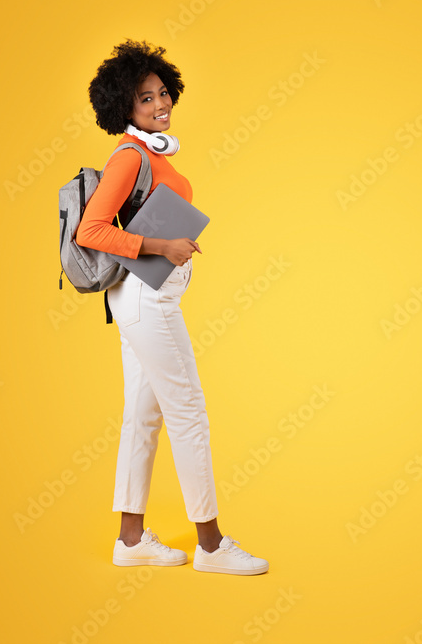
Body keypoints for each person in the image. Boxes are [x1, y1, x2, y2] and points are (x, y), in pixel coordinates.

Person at [76, 39, 267, 576]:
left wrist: (176, 239)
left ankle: (130, 541)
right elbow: (93, 229)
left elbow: (143, 217)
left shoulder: (152, 154)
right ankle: (211, 546)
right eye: (145, 98)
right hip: (145, 297)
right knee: (189, 412)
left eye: (163, 93)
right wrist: (164, 246)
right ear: (124, 108)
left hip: (145, 295)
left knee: (142, 418)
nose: (160, 104)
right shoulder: (131, 156)